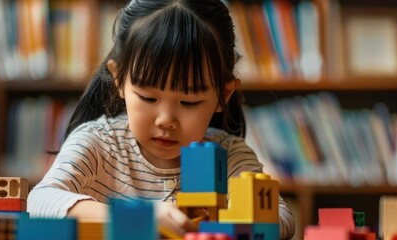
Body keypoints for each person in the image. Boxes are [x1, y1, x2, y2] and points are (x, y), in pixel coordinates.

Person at [27, 0, 294, 239]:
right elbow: (41, 199)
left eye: (189, 102)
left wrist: (216, 224)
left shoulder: (229, 155)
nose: (166, 120)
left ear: (223, 94)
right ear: (119, 79)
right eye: (148, 98)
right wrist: (141, 217)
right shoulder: (99, 143)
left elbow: (282, 220)